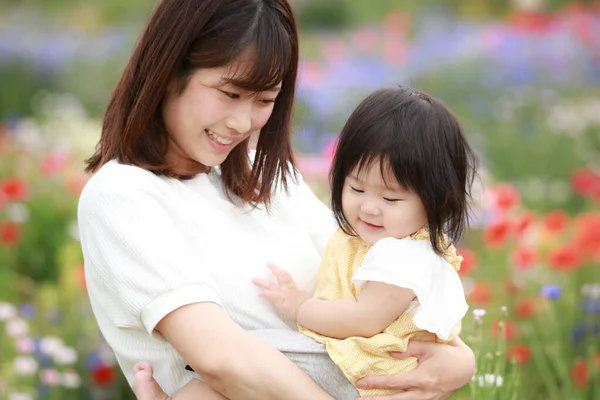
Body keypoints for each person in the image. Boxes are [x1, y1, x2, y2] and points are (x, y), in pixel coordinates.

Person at [77, 0, 476, 399]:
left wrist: (460, 362)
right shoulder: (122, 195)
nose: (242, 123)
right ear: (168, 72)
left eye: (264, 100)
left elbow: (374, 286)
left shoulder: (265, 176)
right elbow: (222, 360)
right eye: (230, 93)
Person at [131, 86, 476, 400]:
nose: (369, 207)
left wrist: (299, 307)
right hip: (351, 363)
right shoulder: (374, 240)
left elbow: (363, 319)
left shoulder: (404, 256)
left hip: (361, 370)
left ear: (436, 203)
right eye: (356, 188)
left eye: (391, 199)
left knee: (255, 354)